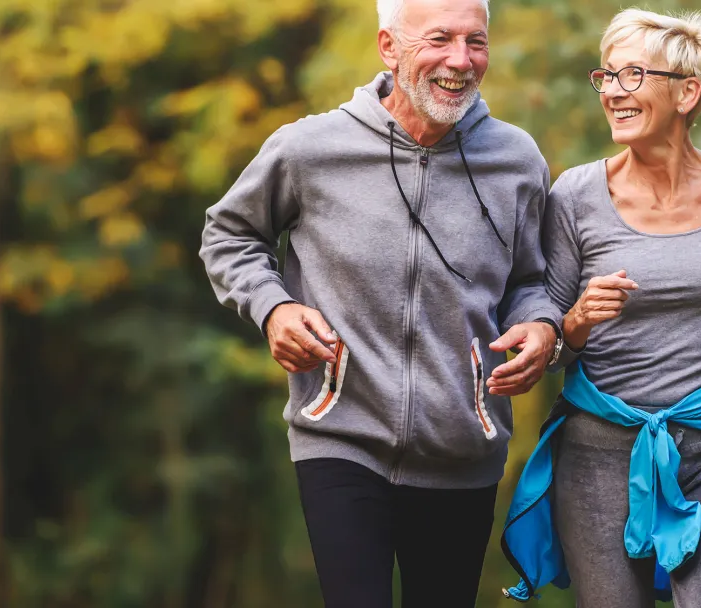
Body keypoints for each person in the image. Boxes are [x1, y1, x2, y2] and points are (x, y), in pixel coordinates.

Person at [199, 0, 565, 605]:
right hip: (339, 434)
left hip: (463, 446)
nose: (460, 59)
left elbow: (533, 278)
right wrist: (273, 307)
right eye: (440, 39)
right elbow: (229, 235)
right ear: (389, 48)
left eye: (476, 42)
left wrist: (542, 326)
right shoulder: (310, 148)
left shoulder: (517, 160)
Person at [500, 8, 701, 608]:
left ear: (687, 92)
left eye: (633, 75)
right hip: (597, 453)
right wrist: (579, 318)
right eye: (607, 76)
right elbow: (553, 341)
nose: (613, 92)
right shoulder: (576, 196)